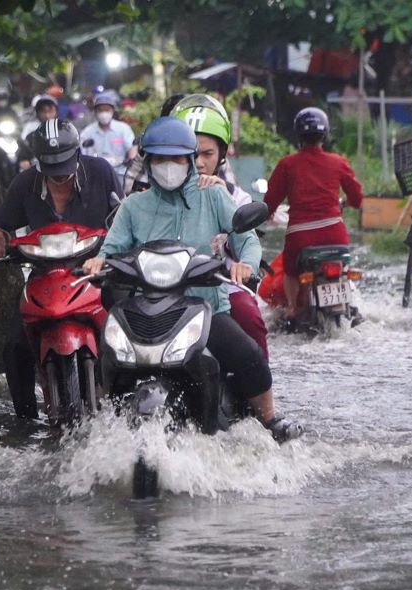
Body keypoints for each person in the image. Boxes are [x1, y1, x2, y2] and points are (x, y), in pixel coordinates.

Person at [82, 117, 301, 442]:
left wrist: (247, 264)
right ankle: (99, 425)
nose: (168, 166)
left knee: (248, 355)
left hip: (205, 308)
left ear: (189, 159)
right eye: (160, 159)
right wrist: (98, 260)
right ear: (149, 162)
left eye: (176, 158)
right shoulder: (133, 206)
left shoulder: (212, 196)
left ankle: (268, 420)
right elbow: (112, 248)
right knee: (110, 356)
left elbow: (246, 238)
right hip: (144, 312)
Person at [0, 119, 122, 418]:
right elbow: (0, 225)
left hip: (96, 272)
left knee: (128, 325)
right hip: (45, 276)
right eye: (52, 168)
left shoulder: (101, 172)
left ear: (78, 153)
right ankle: (24, 417)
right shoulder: (25, 183)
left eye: (64, 166)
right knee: (15, 344)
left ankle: (128, 402)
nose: (59, 176)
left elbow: (123, 215)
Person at [170, 94, 267, 360]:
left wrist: (245, 265)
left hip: (222, 285)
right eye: (190, 154)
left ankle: (260, 396)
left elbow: (248, 241)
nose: (199, 162)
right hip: (165, 287)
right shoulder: (159, 194)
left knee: (249, 315)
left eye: (207, 153)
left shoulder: (236, 196)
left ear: (222, 154)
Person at [263, 107, 363, 329]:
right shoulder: (338, 162)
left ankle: (291, 307)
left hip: (301, 238)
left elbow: (270, 201)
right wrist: (346, 203)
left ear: (298, 135)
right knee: (344, 268)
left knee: (290, 270)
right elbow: (357, 198)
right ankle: (347, 300)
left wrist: (267, 213)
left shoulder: (287, 164)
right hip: (336, 235)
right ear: (325, 134)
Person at [79, 90, 137, 181]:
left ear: (113, 111)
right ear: (95, 112)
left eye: (107, 110)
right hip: (94, 175)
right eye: (101, 110)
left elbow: (132, 148)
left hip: (119, 173)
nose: (104, 113)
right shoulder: (87, 132)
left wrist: (131, 162)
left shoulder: (123, 129)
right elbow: (81, 152)